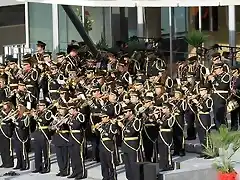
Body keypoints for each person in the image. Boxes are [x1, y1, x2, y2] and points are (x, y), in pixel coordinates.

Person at [118, 105, 141, 180]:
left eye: (126, 112)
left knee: (133, 164)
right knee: (127, 166)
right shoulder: (126, 121)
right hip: (125, 145)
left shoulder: (136, 120)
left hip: (132, 145)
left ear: (131, 112)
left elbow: (132, 132)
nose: (124, 114)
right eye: (124, 112)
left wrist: (122, 127)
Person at [95, 112, 118, 180]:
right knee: (103, 163)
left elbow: (111, 135)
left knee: (110, 163)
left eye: (103, 117)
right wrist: (95, 128)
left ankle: (112, 177)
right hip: (102, 145)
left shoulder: (112, 125)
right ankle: (105, 177)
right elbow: (97, 134)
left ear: (108, 117)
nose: (102, 119)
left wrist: (101, 129)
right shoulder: (102, 125)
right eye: (101, 118)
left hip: (109, 145)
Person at [31, 100, 52, 173]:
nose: (40, 107)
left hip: (44, 133)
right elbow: (33, 123)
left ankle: (46, 167)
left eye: (41, 105)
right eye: (39, 105)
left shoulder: (48, 113)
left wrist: (36, 117)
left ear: (45, 106)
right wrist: (32, 116)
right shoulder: (38, 113)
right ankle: (38, 167)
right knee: (37, 152)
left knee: (45, 152)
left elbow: (45, 121)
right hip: (37, 133)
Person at [67, 103, 87, 179]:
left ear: (74, 109)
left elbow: (77, 125)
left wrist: (69, 122)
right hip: (71, 137)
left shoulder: (80, 115)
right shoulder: (71, 116)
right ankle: (74, 171)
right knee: (72, 156)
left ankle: (81, 173)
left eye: (71, 109)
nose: (69, 111)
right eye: (69, 110)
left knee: (79, 156)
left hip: (78, 137)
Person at [51, 104, 70, 177]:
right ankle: (61, 170)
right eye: (59, 109)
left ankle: (65, 170)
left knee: (65, 156)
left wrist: (62, 122)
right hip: (57, 138)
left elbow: (68, 127)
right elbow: (51, 126)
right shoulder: (56, 117)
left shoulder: (68, 117)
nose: (60, 111)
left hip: (64, 138)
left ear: (65, 110)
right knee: (59, 157)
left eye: (62, 109)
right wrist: (53, 126)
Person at [12, 104, 30, 170]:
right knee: (17, 150)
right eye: (17, 107)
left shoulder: (25, 116)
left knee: (23, 151)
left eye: (19, 107)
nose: (18, 108)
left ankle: (25, 165)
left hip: (22, 135)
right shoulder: (17, 115)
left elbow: (23, 125)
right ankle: (19, 164)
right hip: (16, 134)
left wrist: (15, 121)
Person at [0, 101, 14, 168]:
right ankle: (4, 162)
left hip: (7, 130)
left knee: (7, 147)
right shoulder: (1, 111)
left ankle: (9, 162)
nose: (4, 105)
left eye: (5, 104)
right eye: (3, 104)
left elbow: (8, 120)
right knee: (2, 148)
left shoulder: (11, 111)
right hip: (1, 130)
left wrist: (4, 115)